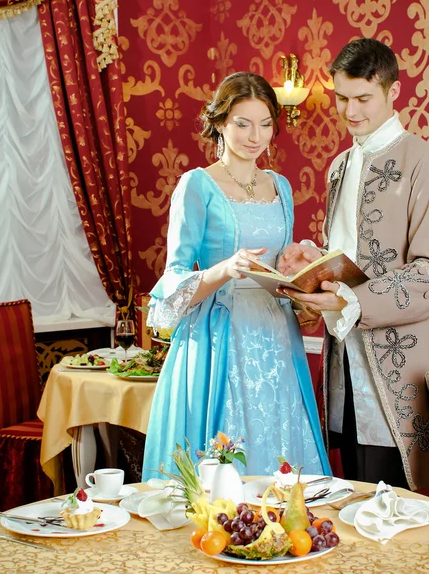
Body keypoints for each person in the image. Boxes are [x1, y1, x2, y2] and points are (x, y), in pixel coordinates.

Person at [278, 38, 429, 491]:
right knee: (355, 492)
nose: (350, 110)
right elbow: (348, 256)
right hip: (343, 357)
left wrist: (345, 297)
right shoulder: (339, 166)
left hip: (401, 363)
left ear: (392, 91)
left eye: (363, 98)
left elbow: (428, 279)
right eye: (342, 97)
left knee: (401, 503)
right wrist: (313, 265)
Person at [141, 72, 331, 481]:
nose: (254, 136)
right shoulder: (197, 185)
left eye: (265, 124)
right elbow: (173, 277)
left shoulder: (280, 186)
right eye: (242, 123)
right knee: (224, 468)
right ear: (220, 123)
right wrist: (226, 268)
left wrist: (298, 264)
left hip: (278, 338)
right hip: (219, 337)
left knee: (282, 461)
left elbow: (280, 268)